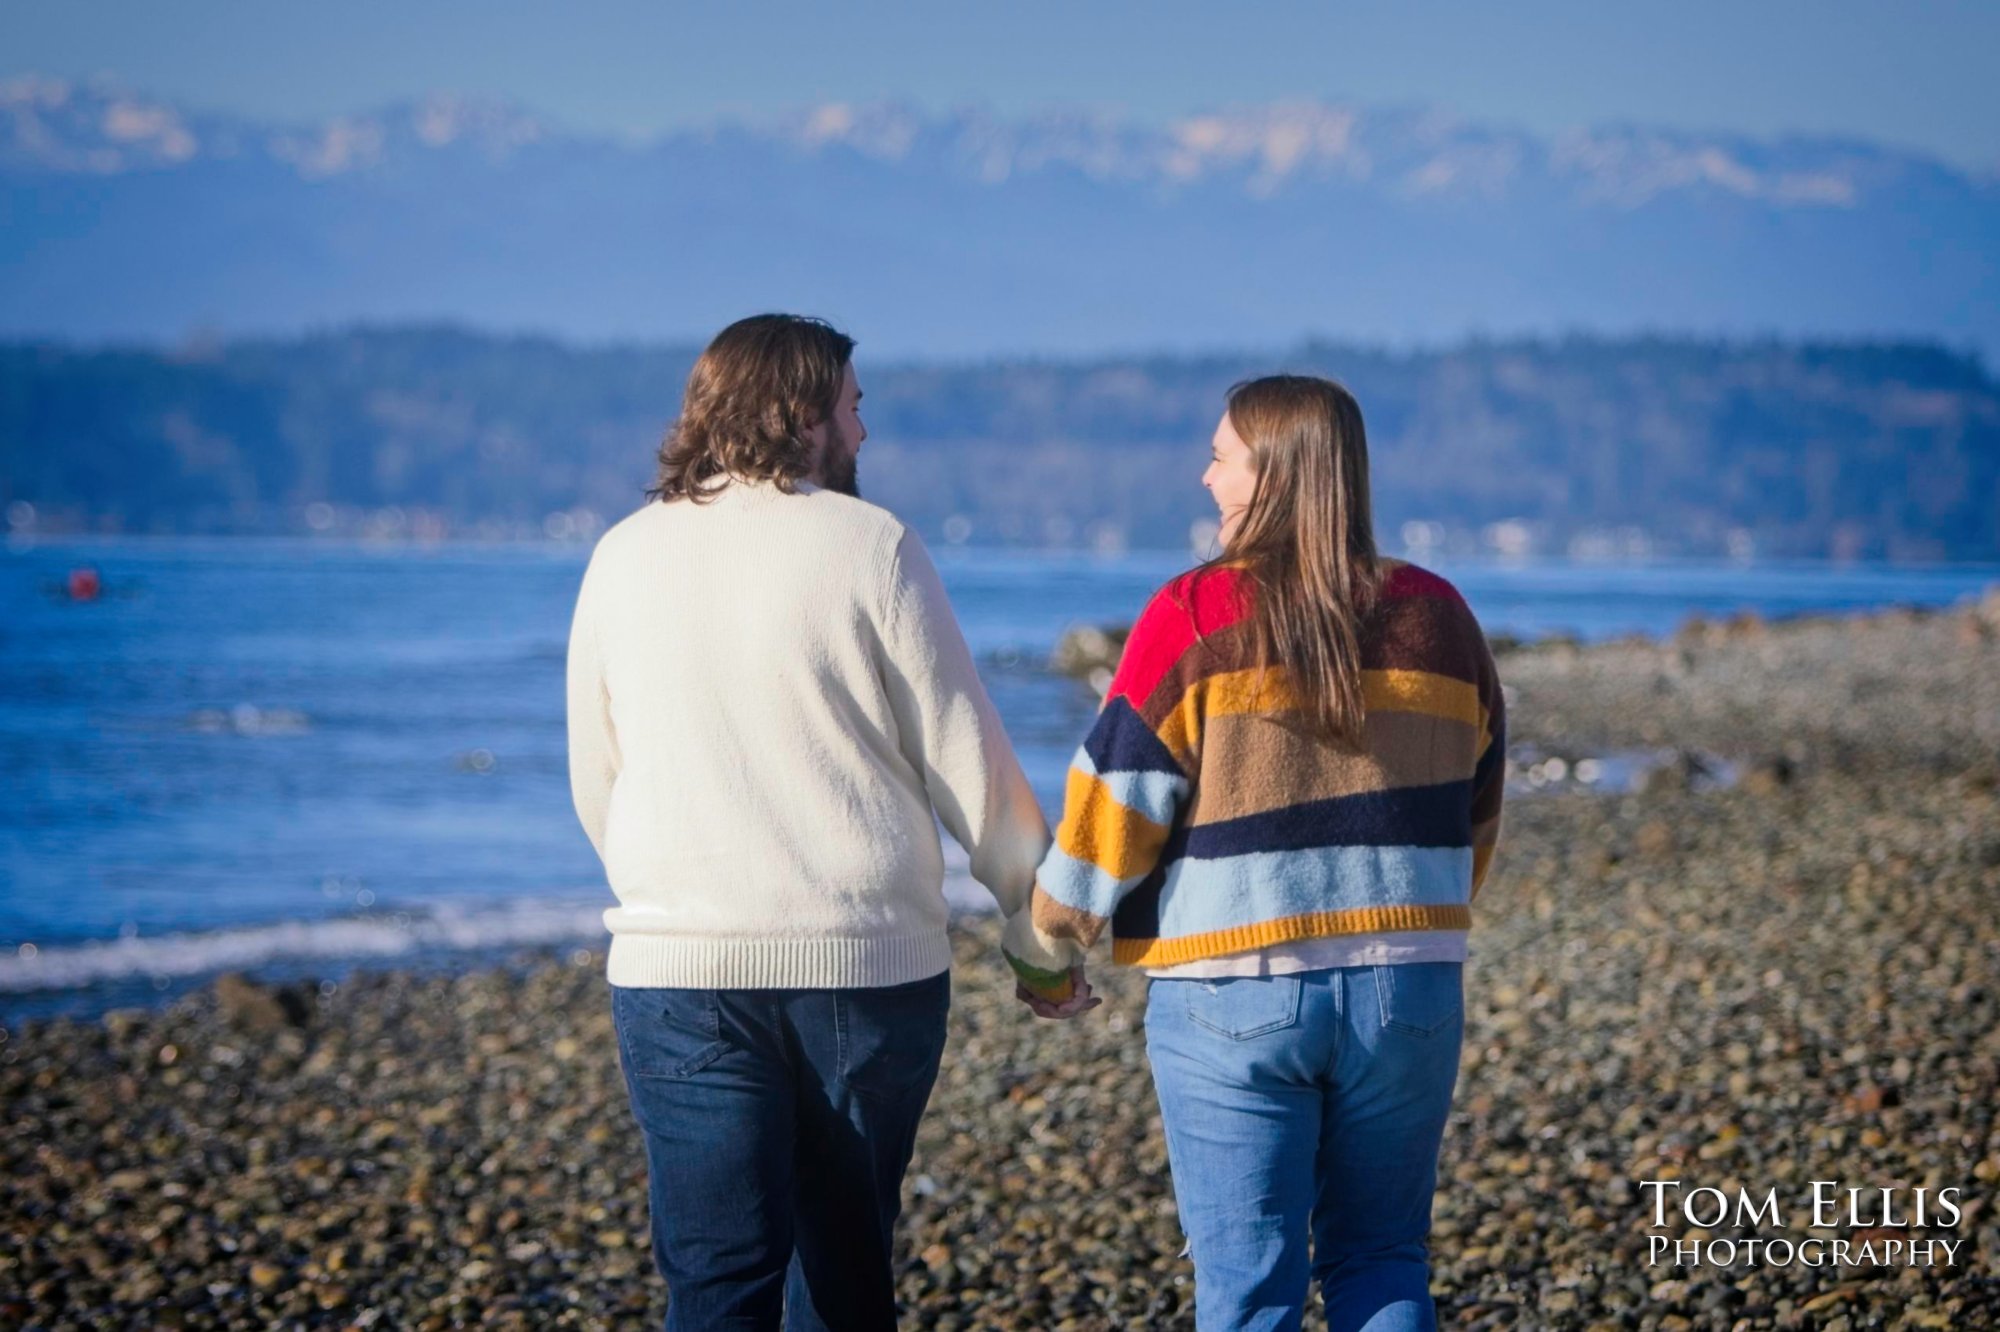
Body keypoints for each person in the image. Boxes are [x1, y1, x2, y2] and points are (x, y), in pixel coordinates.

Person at [567, 313, 1089, 1332]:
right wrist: (1038, 945)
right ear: (798, 414)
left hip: (679, 971)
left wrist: (675, 891)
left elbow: (600, 778)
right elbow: (965, 763)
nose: (862, 434)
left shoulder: (621, 554)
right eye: (852, 407)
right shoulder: (870, 545)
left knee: (715, 1281)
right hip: (865, 967)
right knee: (844, 1274)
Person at [1007, 375, 1506, 1330]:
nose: (1204, 479)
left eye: (1220, 457)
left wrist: (1050, 938)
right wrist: (1416, 911)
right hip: (1410, 982)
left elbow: (1115, 806)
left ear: (1271, 474)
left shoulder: (1194, 615)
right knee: (1385, 1261)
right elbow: (1473, 806)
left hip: (1238, 989)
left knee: (1250, 1289)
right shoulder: (1440, 618)